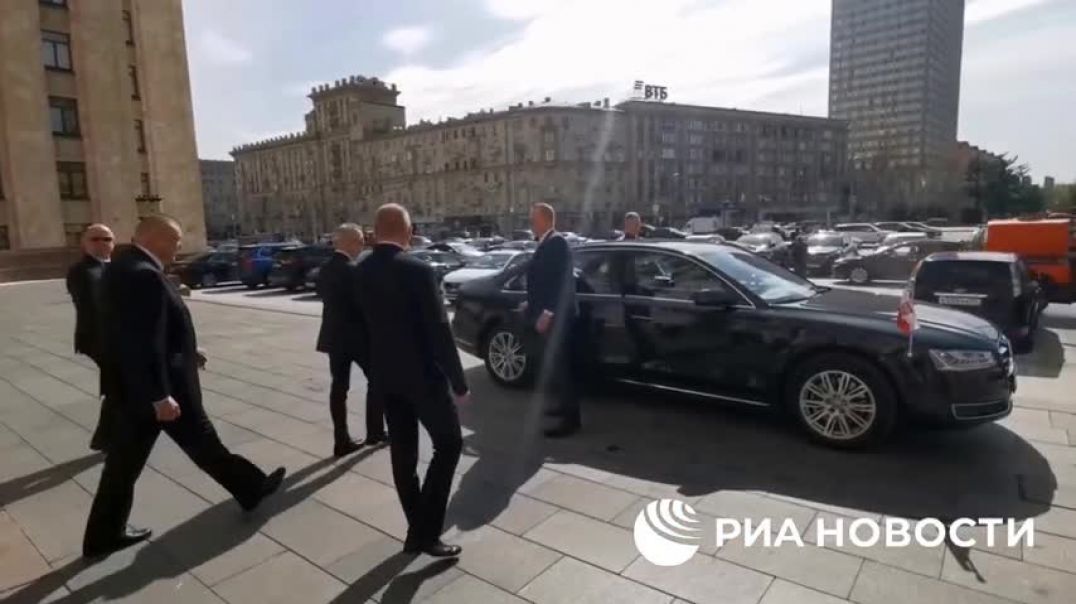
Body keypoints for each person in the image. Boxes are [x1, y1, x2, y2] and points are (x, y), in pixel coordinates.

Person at [82, 215, 285, 559]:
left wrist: (189, 351)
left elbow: (144, 332)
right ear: (156, 238)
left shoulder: (124, 267)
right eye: (175, 239)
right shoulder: (143, 275)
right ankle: (251, 487)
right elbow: (142, 342)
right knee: (197, 443)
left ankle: (103, 535)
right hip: (160, 389)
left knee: (127, 464)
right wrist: (159, 395)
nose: (179, 246)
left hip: (137, 388)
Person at [353, 204, 469, 558]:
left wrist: (375, 370)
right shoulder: (418, 270)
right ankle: (425, 532)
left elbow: (358, 329)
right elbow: (439, 330)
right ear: (407, 231)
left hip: (386, 378)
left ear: (376, 231)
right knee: (449, 444)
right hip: (424, 378)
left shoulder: (360, 271)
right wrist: (459, 381)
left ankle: (416, 529)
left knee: (403, 454)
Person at [316, 223, 386, 457]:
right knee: (377, 382)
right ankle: (375, 432)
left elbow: (324, 297)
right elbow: (365, 306)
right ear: (347, 242)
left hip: (334, 337)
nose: (361, 246)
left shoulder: (325, 269)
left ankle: (341, 440)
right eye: (359, 241)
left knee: (339, 388)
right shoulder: (353, 271)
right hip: (358, 338)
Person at [525, 203, 580, 437]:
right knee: (556, 367)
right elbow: (543, 280)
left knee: (562, 368)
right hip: (550, 314)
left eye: (533, 219)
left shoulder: (557, 243)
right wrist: (531, 304)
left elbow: (561, 282)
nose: (531, 223)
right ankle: (562, 407)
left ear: (545, 220)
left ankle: (571, 420)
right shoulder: (546, 241)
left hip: (557, 318)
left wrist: (547, 312)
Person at [66, 224, 115, 451]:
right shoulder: (82, 271)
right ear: (84, 244)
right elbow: (94, 308)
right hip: (100, 339)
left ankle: (105, 437)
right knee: (119, 385)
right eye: (95, 239)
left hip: (115, 338)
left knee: (118, 386)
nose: (102, 243)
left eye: (107, 239)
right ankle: (106, 437)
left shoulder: (111, 266)